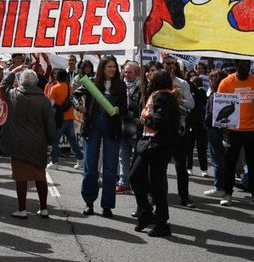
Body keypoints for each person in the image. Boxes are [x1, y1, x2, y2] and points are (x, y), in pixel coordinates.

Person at [73, 56, 128, 217]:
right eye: (109, 66)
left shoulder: (121, 85)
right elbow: (74, 96)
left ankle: (107, 205)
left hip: (112, 128)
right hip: (92, 128)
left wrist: (119, 109)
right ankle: (89, 203)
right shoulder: (91, 82)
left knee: (110, 169)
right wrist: (79, 106)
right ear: (102, 68)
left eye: (114, 67)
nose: (112, 69)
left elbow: (124, 108)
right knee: (90, 166)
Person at [0, 68, 55, 219]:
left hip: (18, 143)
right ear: (36, 82)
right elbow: (50, 124)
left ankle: (22, 210)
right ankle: (44, 208)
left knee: (21, 177)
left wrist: (14, 70)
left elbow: (3, 85)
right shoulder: (44, 100)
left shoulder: (14, 95)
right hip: (39, 143)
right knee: (40, 176)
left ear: (21, 81)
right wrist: (50, 141)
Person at [131, 69, 180, 237]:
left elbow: (160, 121)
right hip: (153, 144)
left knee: (155, 185)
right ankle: (146, 212)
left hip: (157, 145)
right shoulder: (163, 95)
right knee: (139, 178)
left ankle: (161, 222)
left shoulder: (161, 96)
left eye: (152, 76)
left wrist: (145, 118)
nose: (149, 77)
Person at [217, 60, 254, 208]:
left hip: (252, 130)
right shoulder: (226, 82)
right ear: (236, 65)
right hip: (232, 131)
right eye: (242, 64)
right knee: (230, 164)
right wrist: (224, 132)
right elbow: (220, 105)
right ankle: (227, 194)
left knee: (253, 165)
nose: (246, 66)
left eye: (248, 64)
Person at [163, 55, 195, 207]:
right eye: (168, 63)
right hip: (162, 129)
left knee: (181, 165)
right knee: (160, 166)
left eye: (173, 63)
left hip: (178, 129)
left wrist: (178, 99)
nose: (171, 66)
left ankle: (184, 197)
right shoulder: (157, 82)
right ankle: (158, 196)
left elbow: (191, 104)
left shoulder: (182, 83)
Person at [48, 69, 83, 169]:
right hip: (70, 117)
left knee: (55, 140)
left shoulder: (54, 88)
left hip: (59, 119)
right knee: (73, 140)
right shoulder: (70, 88)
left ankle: (54, 162)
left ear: (57, 77)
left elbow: (51, 104)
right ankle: (80, 159)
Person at [117, 62, 142, 192]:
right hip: (122, 125)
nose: (126, 74)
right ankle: (124, 182)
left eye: (129, 72)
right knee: (123, 155)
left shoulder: (142, 87)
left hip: (136, 127)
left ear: (137, 73)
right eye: (125, 72)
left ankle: (137, 182)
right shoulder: (120, 86)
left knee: (138, 157)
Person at [203, 69, 228, 196]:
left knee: (217, 159)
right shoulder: (223, 93)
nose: (210, 81)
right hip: (218, 129)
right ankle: (222, 186)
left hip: (215, 129)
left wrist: (206, 122)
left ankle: (219, 187)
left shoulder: (217, 94)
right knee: (219, 158)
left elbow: (212, 113)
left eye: (212, 78)